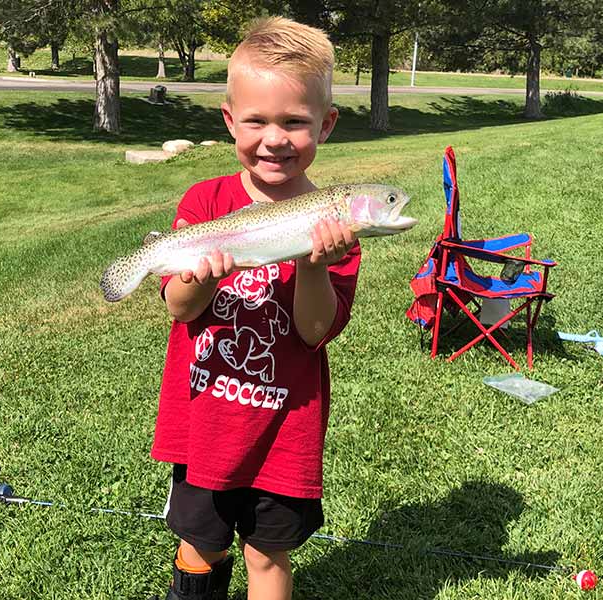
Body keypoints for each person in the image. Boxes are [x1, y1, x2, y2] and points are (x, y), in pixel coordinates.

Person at [152, 16, 362, 600]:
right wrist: (197, 278)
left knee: (268, 556)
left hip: (284, 429)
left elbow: (316, 331)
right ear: (229, 122)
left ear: (326, 124)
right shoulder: (204, 202)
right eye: (257, 121)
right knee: (200, 544)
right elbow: (179, 308)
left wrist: (314, 262)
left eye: (295, 122)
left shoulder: (335, 222)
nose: (276, 138)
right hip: (205, 422)